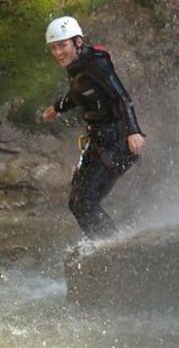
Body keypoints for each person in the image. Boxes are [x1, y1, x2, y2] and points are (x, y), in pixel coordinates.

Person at [41, 16, 146, 238]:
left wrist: (133, 131)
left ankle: (112, 246)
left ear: (77, 42)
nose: (58, 53)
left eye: (62, 46)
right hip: (98, 141)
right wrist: (57, 108)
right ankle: (101, 245)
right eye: (53, 48)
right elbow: (79, 92)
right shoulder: (77, 67)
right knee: (76, 202)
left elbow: (121, 98)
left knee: (85, 202)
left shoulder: (97, 64)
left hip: (117, 141)